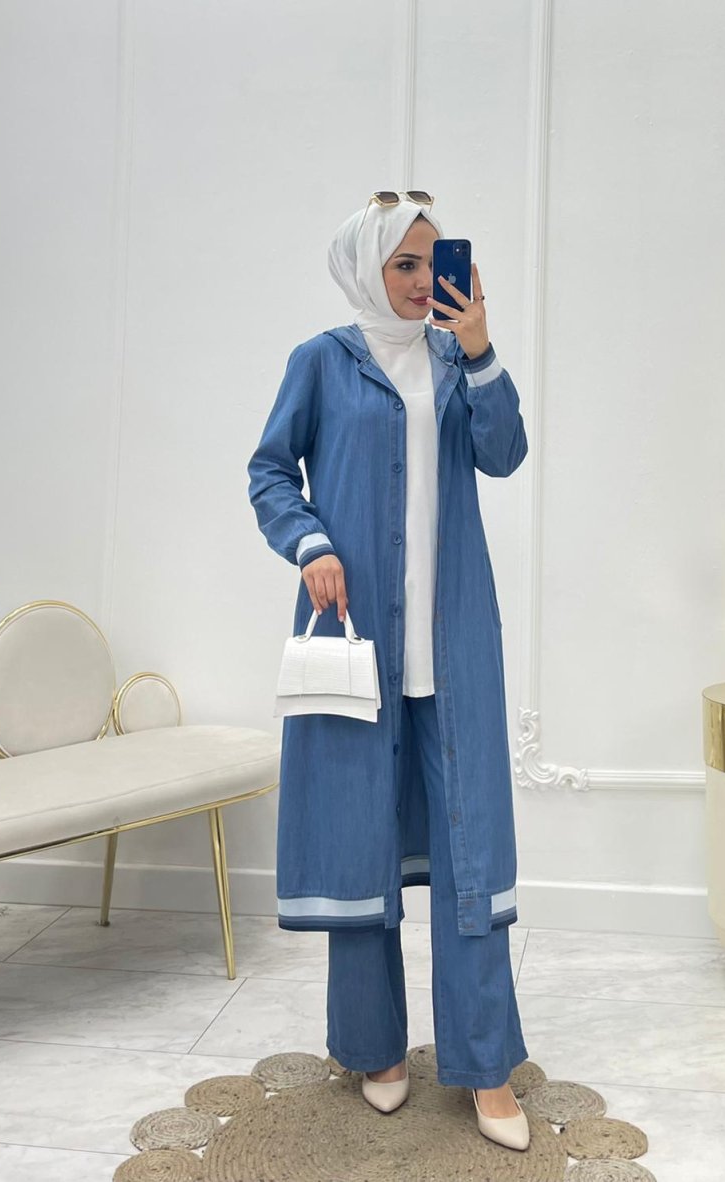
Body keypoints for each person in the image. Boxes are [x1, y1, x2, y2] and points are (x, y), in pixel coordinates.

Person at [247, 191, 531, 1151]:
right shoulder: (322, 362)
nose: (419, 281)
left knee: (470, 852)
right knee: (360, 843)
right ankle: (375, 1049)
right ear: (366, 268)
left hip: (454, 646)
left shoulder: (455, 360)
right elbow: (269, 472)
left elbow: (504, 454)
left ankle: (487, 1068)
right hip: (356, 638)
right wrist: (310, 541)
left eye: (430, 263)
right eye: (403, 264)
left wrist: (481, 347)